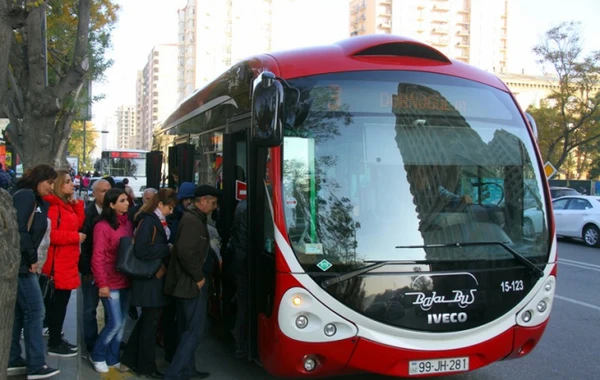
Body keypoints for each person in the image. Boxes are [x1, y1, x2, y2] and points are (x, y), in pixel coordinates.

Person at [8, 164, 60, 379]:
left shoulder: (33, 199)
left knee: (22, 312)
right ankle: (36, 364)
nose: (51, 187)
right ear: (38, 179)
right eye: (49, 182)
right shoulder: (26, 197)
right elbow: (19, 229)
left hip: (21, 264)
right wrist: (31, 259)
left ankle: (12, 359)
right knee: (36, 311)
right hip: (21, 265)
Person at [163, 185, 219, 380]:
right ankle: (175, 373)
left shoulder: (193, 218)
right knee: (193, 331)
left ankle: (187, 370)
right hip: (190, 285)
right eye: (212, 202)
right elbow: (185, 252)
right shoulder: (193, 221)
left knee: (186, 329)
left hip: (187, 283)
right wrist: (198, 277)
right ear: (202, 200)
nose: (214, 207)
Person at [121, 189, 178, 378]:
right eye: (169, 207)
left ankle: (130, 359)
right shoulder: (149, 221)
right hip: (149, 280)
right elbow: (142, 251)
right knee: (150, 325)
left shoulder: (154, 220)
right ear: (160, 205)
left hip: (151, 279)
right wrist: (166, 248)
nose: (171, 211)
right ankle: (146, 366)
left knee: (147, 322)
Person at [42, 170, 86, 357]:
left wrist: (76, 205)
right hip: (57, 263)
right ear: (59, 185)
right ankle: (54, 342)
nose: (72, 184)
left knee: (61, 304)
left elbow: (78, 223)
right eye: (67, 182)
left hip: (66, 261)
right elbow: (50, 234)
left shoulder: (65, 205)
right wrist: (74, 237)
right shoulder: (54, 207)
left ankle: (56, 338)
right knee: (58, 305)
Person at [89, 188, 133, 373]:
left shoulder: (128, 224)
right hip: (109, 281)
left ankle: (113, 357)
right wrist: (102, 284)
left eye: (127, 200)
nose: (127, 203)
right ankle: (98, 355)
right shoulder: (102, 226)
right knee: (114, 322)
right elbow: (97, 256)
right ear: (112, 204)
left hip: (126, 279)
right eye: (122, 200)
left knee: (121, 322)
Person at [79, 178, 111, 353]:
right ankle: (91, 343)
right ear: (94, 193)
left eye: (108, 190)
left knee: (110, 310)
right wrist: (86, 270)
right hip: (90, 270)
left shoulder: (114, 211)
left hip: (111, 270)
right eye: (103, 191)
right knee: (90, 308)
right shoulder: (86, 213)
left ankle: (108, 341)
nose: (106, 195)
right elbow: (84, 246)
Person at [229, 199, 248, 359]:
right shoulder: (252, 206)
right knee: (245, 302)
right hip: (244, 262)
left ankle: (239, 339)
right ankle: (240, 342)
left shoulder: (242, 204)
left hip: (239, 260)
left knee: (243, 301)